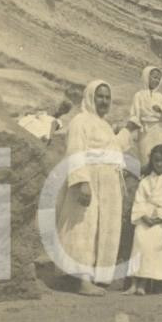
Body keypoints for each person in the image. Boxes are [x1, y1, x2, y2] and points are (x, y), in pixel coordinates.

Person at [55, 80, 132, 296]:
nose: (104, 101)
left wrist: (129, 130)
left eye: (108, 97)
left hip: (108, 183)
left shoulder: (105, 124)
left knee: (103, 228)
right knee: (84, 227)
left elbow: (113, 148)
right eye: (100, 96)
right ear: (90, 97)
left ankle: (97, 275)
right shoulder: (80, 121)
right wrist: (82, 183)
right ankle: (82, 280)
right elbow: (75, 151)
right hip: (89, 180)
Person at [126, 145, 162, 296]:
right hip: (146, 217)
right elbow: (139, 200)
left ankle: (143, 283)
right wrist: (144, 216)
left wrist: (160, 218)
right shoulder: (146, 180)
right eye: (156, 161)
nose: (160, 164)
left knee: (153, 241)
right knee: (139, 238)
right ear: (152, 162)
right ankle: (133, 283)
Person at [128, 65, 162, 167]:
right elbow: (135, 113)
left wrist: (160, 109)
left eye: (158, 79)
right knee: (146, 157)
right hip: (145, 131)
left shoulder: (160, 96)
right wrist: (138, 126)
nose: (156, 80)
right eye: (154, 77)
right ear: (146, 77)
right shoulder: (138, 95)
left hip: (160, 130)